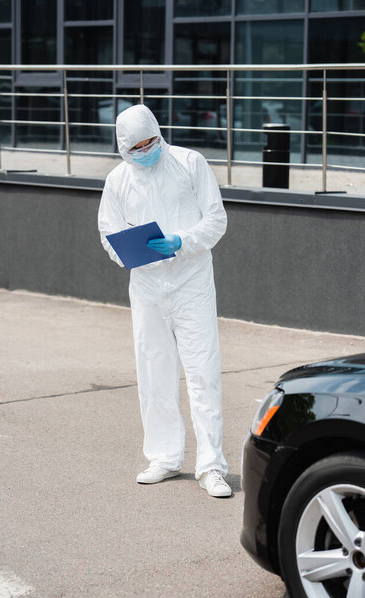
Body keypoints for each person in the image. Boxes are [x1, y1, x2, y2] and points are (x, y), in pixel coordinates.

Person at [98, 104, 231, 498]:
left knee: (202, 370)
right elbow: (108, 233)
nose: (146, 150)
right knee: (153, 370)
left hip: (191, 281)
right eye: (136, 146)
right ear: (122, 147)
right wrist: (127, 251)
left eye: (151, 141)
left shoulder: (190, 163)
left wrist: (181, 241)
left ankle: (211, 466)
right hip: (147, 286)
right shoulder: (118, 179)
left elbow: (216, 219)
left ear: (159, 132)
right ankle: (165, 457)